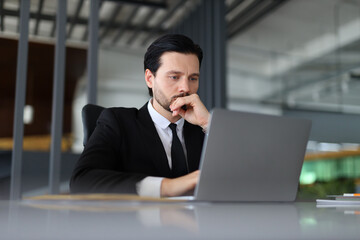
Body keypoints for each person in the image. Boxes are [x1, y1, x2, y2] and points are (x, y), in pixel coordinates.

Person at [70, 34, 210, 197]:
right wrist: (167, 187)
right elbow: (81, 181)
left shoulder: (204, 128)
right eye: (174, 77)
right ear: (150, 79)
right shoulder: (118, 121)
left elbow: (240, 175)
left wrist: (208, 124)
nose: (185, 88)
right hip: (139, 220)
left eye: (193, 78)